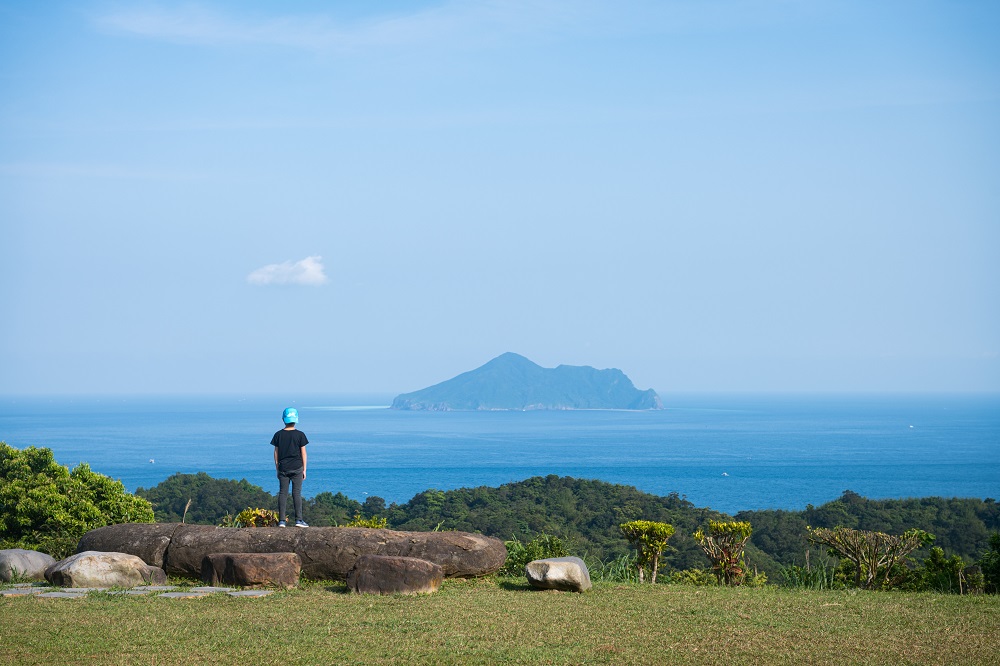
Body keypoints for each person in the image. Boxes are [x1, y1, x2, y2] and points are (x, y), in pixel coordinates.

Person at [271, 407, 308, 527]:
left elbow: (276, 452)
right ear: (296, 420)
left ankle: (281, 521)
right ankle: (299, 520)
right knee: (296, 493)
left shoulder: (278, 435)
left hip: (283, 468)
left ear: (283, 419)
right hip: (297, 467)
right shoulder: (300, 435)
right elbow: (303, 453)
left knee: (283, 493)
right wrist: (304, 469)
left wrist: (277, 467)